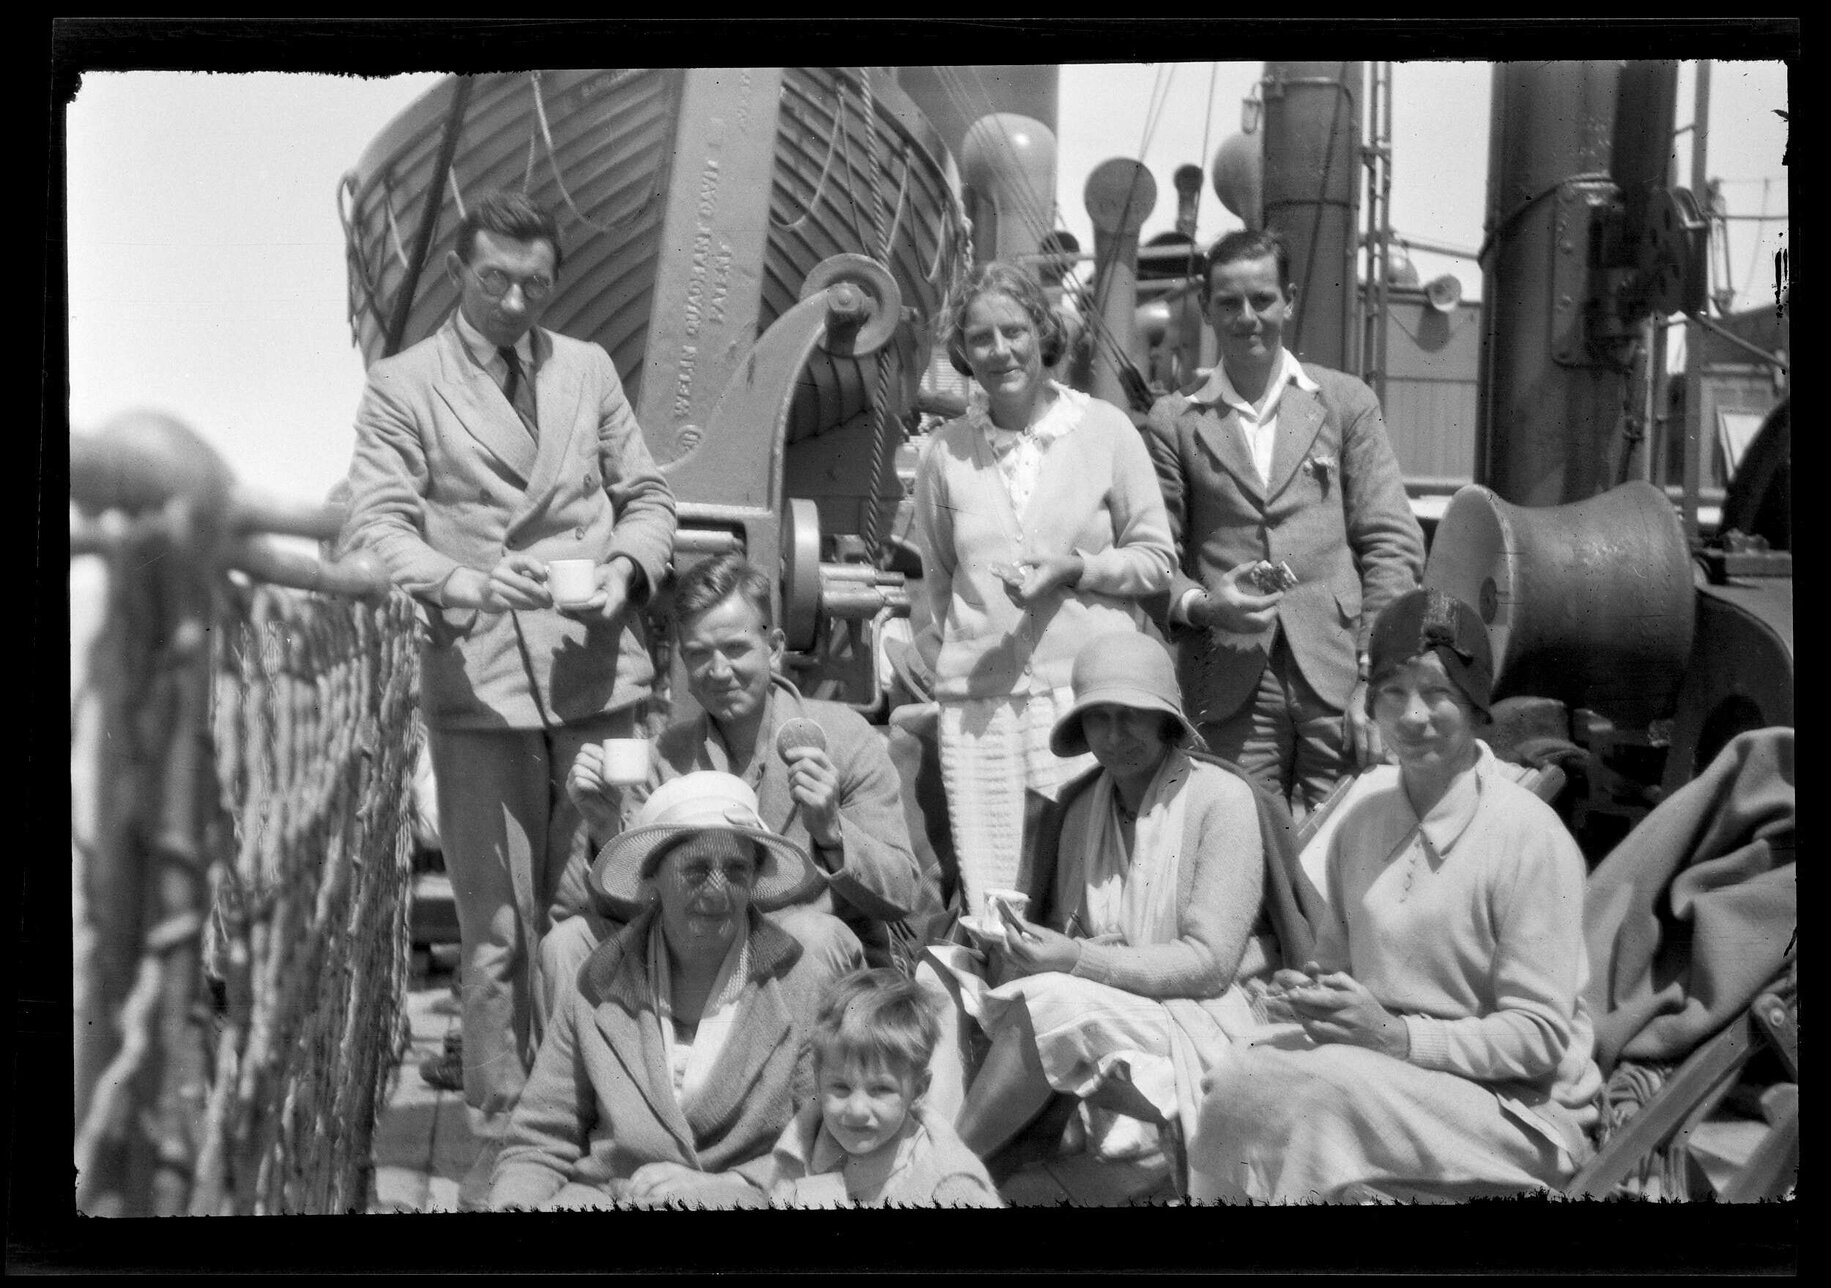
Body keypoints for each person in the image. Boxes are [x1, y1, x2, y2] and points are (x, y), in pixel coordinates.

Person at [341, 191, 676, 1175]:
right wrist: (468, 582)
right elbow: (377, 529)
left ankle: (630, 1109)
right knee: (498, 929)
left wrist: (628, 566)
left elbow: (646, 498)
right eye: (497, 279)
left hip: (608, 680)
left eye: (536, 282)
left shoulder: (589, 367)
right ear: (459, 272)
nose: (518, 300)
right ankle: (501, 1139)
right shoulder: (404, 386)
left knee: (631, 887)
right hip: (482, 694)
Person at [1188, 589, 1602, 1203]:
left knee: (1318, 1098)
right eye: (1393, 693)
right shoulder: (1363, 822)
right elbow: (1338, 969)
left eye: (1438, 693)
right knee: (1237, 1073)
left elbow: (1539, 1037)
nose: (1413, 716)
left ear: (1476, 704)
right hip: (1390, 1073)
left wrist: (1395, 1037)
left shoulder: (1528, 837)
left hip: (1521, 1110)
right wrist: (1308, 996)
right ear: (1371, 705)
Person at [921, 630, 1290, 1176]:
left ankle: (940, 1170)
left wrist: (1077, 959)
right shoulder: (1082, 808)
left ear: (1167, 720)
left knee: (1050, 1003)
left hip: (1199, 1011)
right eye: (1098, 718)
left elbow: (1209, 966)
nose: (1114, 736)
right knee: (940, 971)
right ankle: (922, 1142)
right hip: (1111, 994)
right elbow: (1075, 931)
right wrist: (1031, 947)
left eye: (1131, 715)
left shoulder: (1220, 801)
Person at [912, 261, 1174, 916]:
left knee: (1093, 898)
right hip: (981, 708)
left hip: (1084, 700)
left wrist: (1077, 569)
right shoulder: (943, 453)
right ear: (963, 353)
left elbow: (1155, 559)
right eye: (980, 339)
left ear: (1042, 333)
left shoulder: (1106, 430)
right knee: (997, 901)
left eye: (1013, 331)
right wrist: (969, 654)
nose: (998, 351)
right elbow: (938, 582)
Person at [541, 553, 922, 1002]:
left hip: (813, 960)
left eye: (736, 649)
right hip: (699, 960)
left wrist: (832, 832)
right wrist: (606, 831)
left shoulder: (842, 737)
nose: (718, 672)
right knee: (566, 945)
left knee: (808, 937)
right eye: (699, 655)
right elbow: (631, 911)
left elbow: (902, 893)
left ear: (775, 648)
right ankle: (585, 1075)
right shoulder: (666, 758)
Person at [1144, 227, 1424, 817]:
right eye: (1229, 303)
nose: (1248, 317)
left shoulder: (1345, 404)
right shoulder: (1176, 421)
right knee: (1244, 849)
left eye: (1263, 300)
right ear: (1206, 309)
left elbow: (1391, 543)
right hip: (1228, 683)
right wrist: (1201, 605)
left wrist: (1377, 675)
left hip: (1341, 672)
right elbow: (1153, 559)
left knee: (1349, 841)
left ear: (1289, 300)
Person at [489, 772, 863, 1210]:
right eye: (697, 869)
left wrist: (728, 1188)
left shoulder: (799, 981)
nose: (718, 891)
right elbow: (538, 1144)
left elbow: (827, 1139)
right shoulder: (599, 981)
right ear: (653, 879)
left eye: (736, 869)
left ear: (756, 878)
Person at [762, 968, 1001, 1208]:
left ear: (918, 1091)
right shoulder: (801, 1150)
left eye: (880, 1090)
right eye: (841, 1087)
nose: (857, 1110)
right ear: (818, 1080)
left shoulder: (947, 1181)